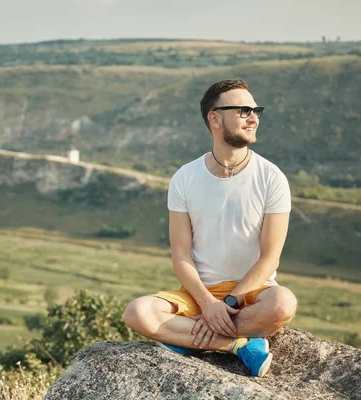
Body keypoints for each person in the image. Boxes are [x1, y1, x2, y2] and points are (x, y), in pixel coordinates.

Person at [123, 78, 298, 377]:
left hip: (253, 294)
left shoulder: (272, 178)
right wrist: (207, 304)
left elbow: (270, 258)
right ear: (214, 118)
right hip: (199, 294)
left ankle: (188, 336)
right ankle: (238, 345)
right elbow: (181, 256)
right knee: (137, 313)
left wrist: (228, 304)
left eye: (256, 110)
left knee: (283, 304)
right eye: (243, 110)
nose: (253, 117)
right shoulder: (185, 178)